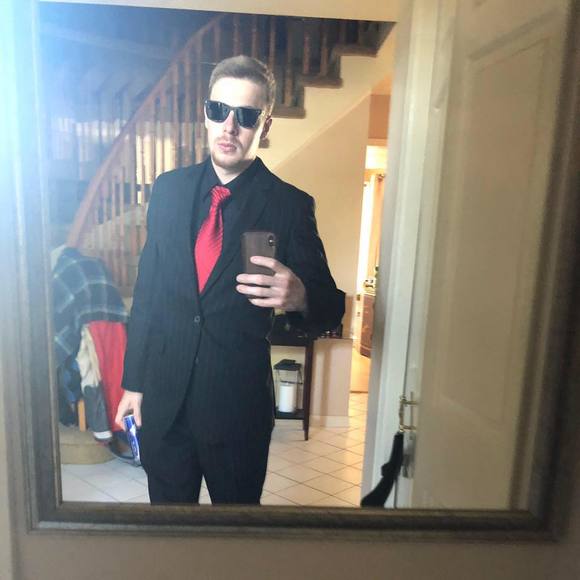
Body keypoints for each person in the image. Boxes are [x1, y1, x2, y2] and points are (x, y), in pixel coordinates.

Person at [115, 55, 345, 505]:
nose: (229, 126)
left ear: (266, 124)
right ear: (205, 114)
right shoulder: (169, 190)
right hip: (165, 403)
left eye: (246, 115)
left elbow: (331, 307)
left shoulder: (289, 205)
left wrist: (301, 296)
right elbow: (148, 296)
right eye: (219, 110)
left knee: (236, 535)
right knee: (171, 532)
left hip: (237, 413)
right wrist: (133, 383)